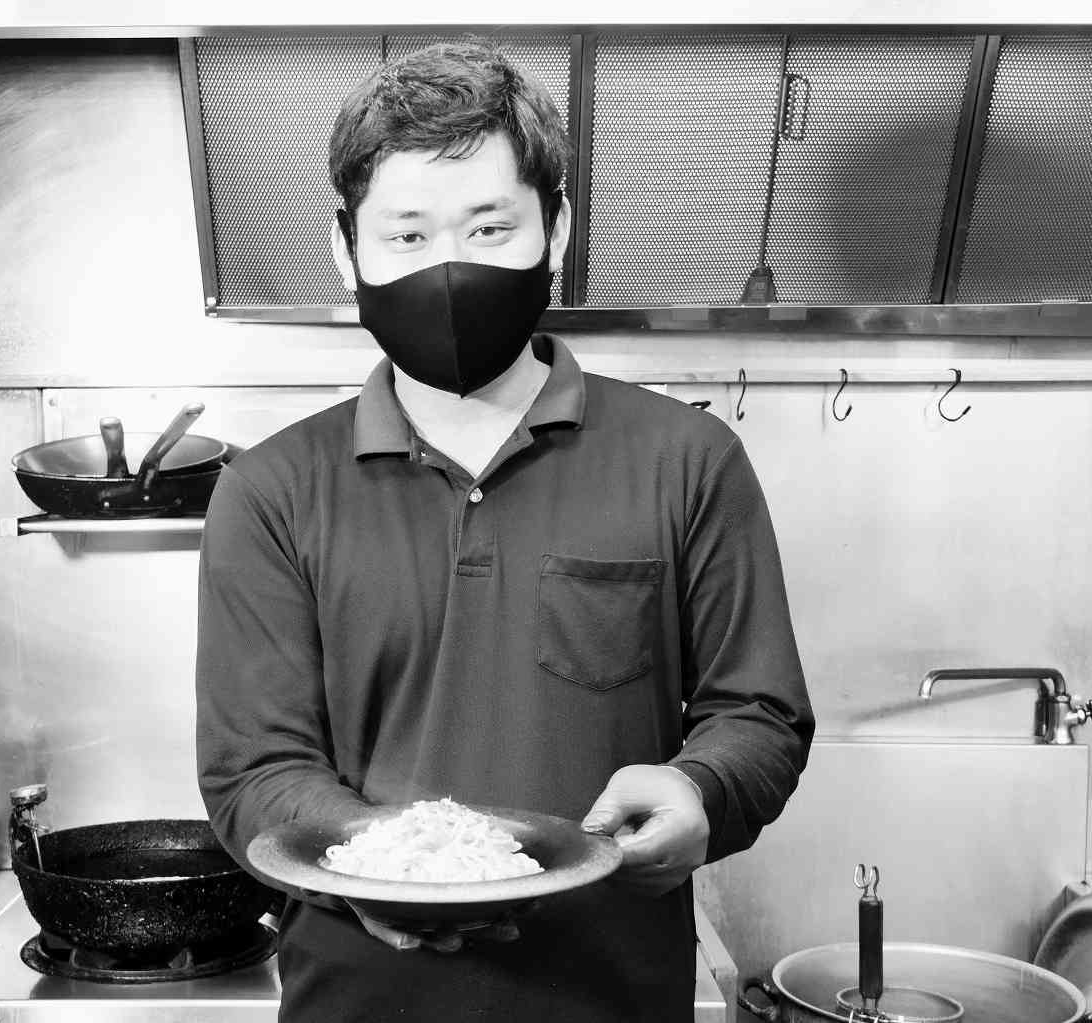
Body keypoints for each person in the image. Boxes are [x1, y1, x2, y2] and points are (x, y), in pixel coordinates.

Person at [196, 40, 814, 1023]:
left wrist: (703, 789)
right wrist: (382, 866)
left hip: (610, 1000)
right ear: (345, 249)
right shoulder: (269, 492)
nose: (448, 268)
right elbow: (254, 770)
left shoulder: (688, 460)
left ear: (555, 228)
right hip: (356, 1005)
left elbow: (761, 713)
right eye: (406, 234)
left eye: (489, 227)